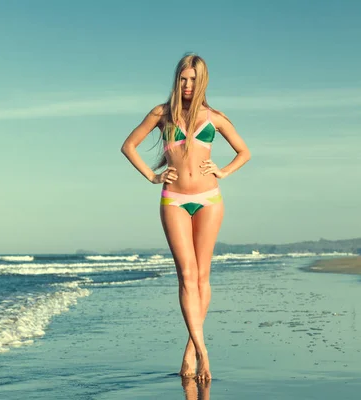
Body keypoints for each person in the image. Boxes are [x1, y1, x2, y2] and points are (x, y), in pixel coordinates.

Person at [120, 53, 251, 381]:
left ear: (202, 81)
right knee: (186, 275)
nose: (188, 85)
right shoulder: (162, 114)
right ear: (177, 79)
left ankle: (190, 353)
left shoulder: (214, 117)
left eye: (193, 79)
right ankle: (204, 351)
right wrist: (152, 177)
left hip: (209, 199)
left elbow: (244, 151)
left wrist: (223, 171)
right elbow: (129, 146)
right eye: (183, 78)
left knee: (203, 277)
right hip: (174, 200)